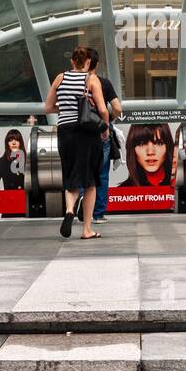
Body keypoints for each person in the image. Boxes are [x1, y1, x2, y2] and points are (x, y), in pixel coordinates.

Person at [43, 46, 109, 239]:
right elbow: (103, 110)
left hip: (65, 131)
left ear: (72, 61)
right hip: (86, 132)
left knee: (70, 175)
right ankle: (87, 229)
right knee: (90, 181)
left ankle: (70, 209)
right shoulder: (91, 79)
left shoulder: (60, 78)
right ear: (88, 62)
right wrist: (104, 128)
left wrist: (65, 110)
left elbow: (47, 108)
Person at [88, 49, 122, 223]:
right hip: (101, 132)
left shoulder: (75, 82)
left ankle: (83, 210)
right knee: (102, 173)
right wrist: (109, 121)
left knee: (84, 171)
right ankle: (98, 214)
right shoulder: (104, 83)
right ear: (96, 64)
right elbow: (117, 108)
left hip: (81, 134)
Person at [121, 123, 176, 187]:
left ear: (168, 147)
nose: (150, 152)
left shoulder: (181, 184)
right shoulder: (122, 192)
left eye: (159, 143)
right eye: (141, 144)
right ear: (132, 148)